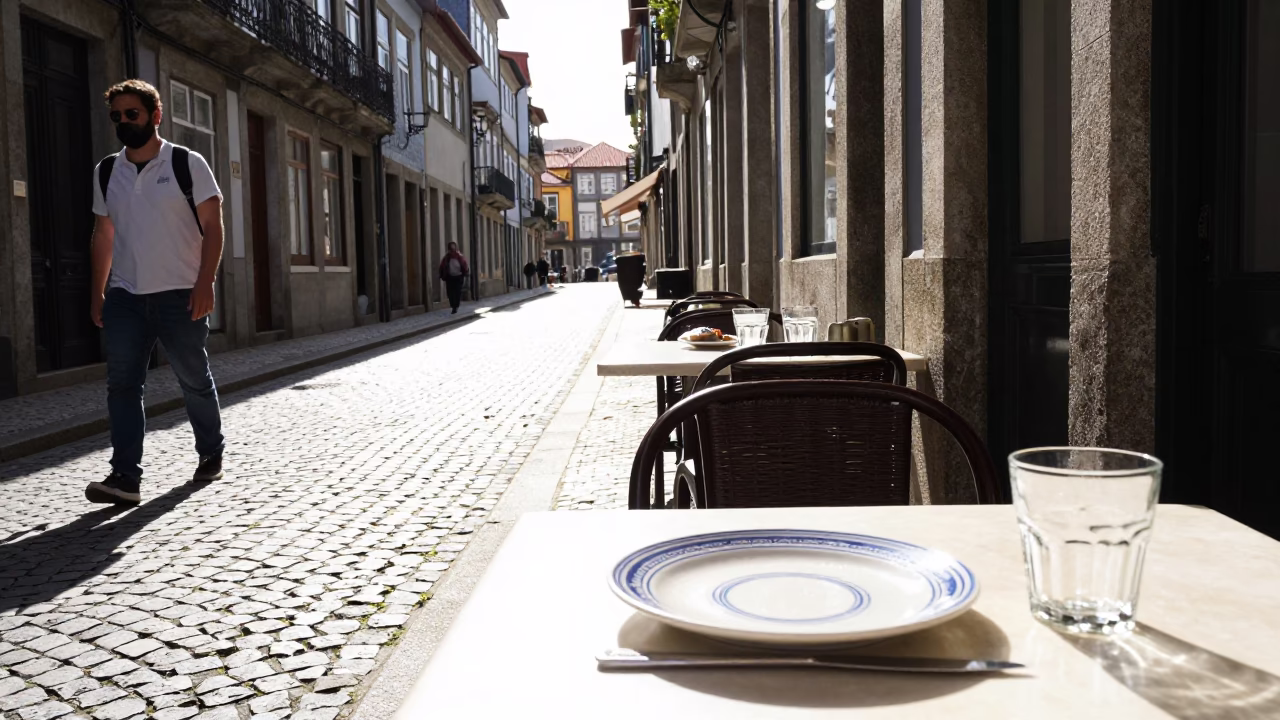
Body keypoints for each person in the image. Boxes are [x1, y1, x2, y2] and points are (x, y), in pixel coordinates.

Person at [87, 79, 225, 506]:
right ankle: (125, 477)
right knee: (123, 385)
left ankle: (211, 452)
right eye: (117, 116)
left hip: (180, 293)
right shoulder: (108, 170)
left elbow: (214, 226)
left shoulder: (187, 163)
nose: (124, 122)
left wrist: (206, 282)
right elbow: (103, 234)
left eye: (133, 114)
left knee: (193, 379)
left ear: (155, 116)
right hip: (126, 295)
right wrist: (98, 292)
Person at [439, 241, 469, 314]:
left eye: (453, 248)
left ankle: (456, 306)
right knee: (450, 293)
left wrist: (465, 272)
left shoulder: (459, 257)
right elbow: (442, 266)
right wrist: (441, 274)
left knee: (457, 292)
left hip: (458, 277)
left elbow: (465, 265)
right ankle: (453, 305)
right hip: (450, 277)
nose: (452, 251)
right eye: (451, 249)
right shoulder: (446, 258)